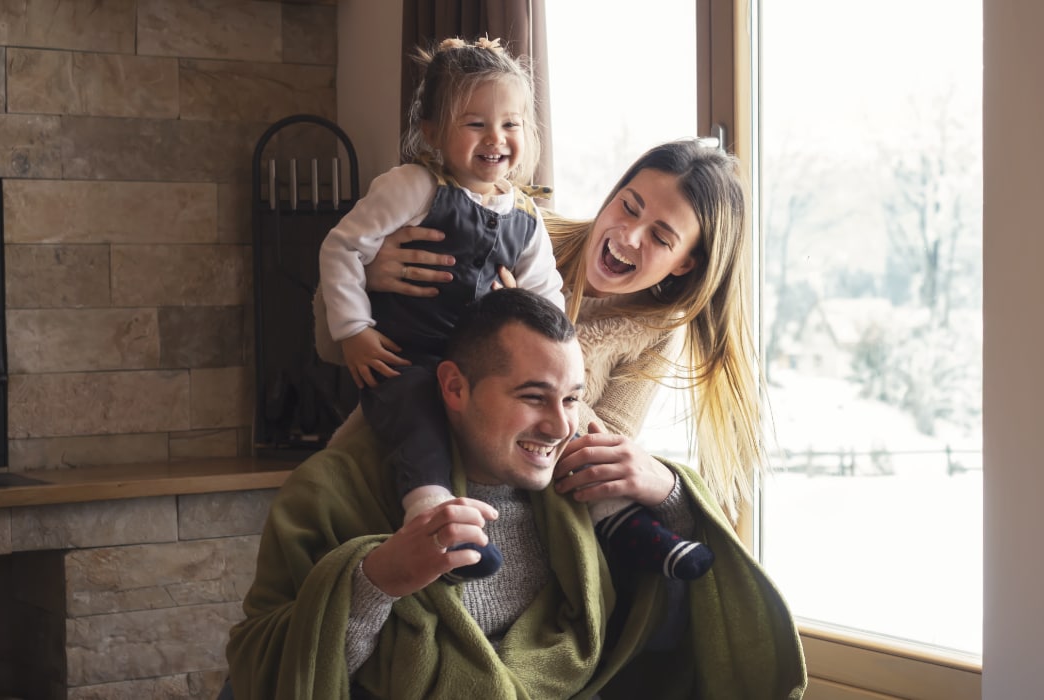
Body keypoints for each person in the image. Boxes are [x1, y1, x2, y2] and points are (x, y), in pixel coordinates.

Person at [227, 289, 805, 698]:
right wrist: (376, 582)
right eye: (533, 397)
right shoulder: (332, 493)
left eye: (572, 399)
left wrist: (672, 493)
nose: (560, 426)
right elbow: (260, 668)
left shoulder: (583, 489)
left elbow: (681, 608)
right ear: (455, 387)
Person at [317, 37, 705, 582]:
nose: (628, 236)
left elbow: (592, 432)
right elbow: (340, 264)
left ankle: (624, 529)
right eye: (628, 206)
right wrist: (372, 284)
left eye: (661, 236)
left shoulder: (531, 230)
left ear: (687, 263)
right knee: (406, 434)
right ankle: (435, 525)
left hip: (513, 475)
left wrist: (526, 340)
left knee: (570, 421)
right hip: (411, 380)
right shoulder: (471, 206)